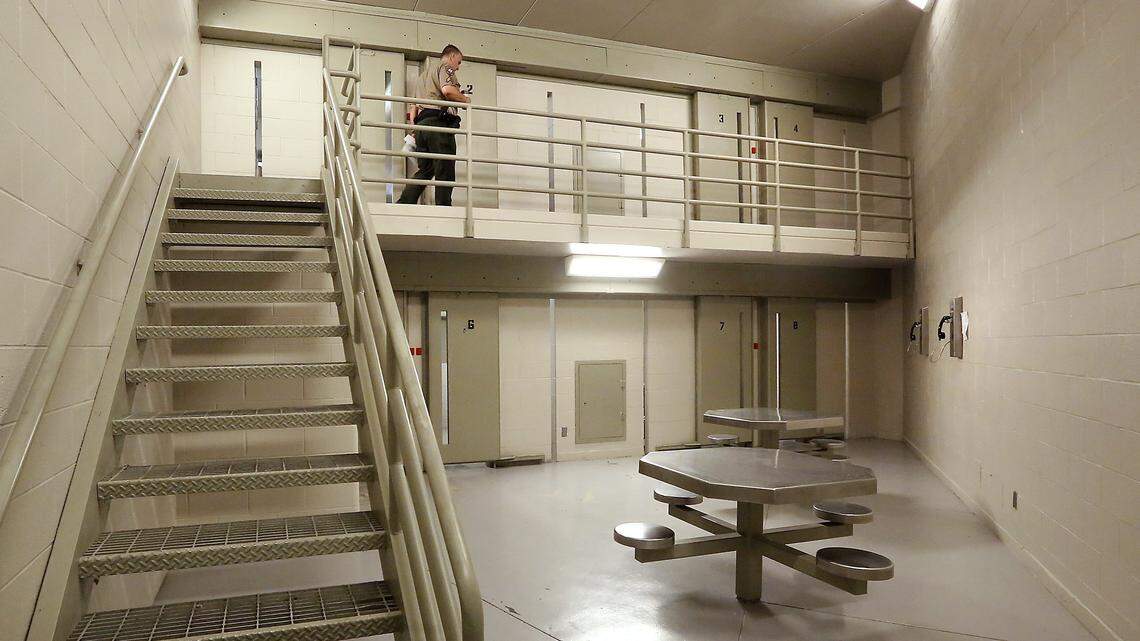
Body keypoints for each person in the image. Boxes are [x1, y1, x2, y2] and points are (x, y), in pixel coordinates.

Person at [397, 44, 470, 206]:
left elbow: (413, 108)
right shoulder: (445, 67)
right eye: (458, 62)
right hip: (438, 124)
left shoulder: (423, 76)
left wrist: (414, 131)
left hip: (422, 126)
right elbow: (448, 91)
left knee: (426, 169)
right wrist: (466, 100)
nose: (457, 68)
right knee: (445, 167)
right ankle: (444, 207)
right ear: (451, 57)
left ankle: (405, 201)